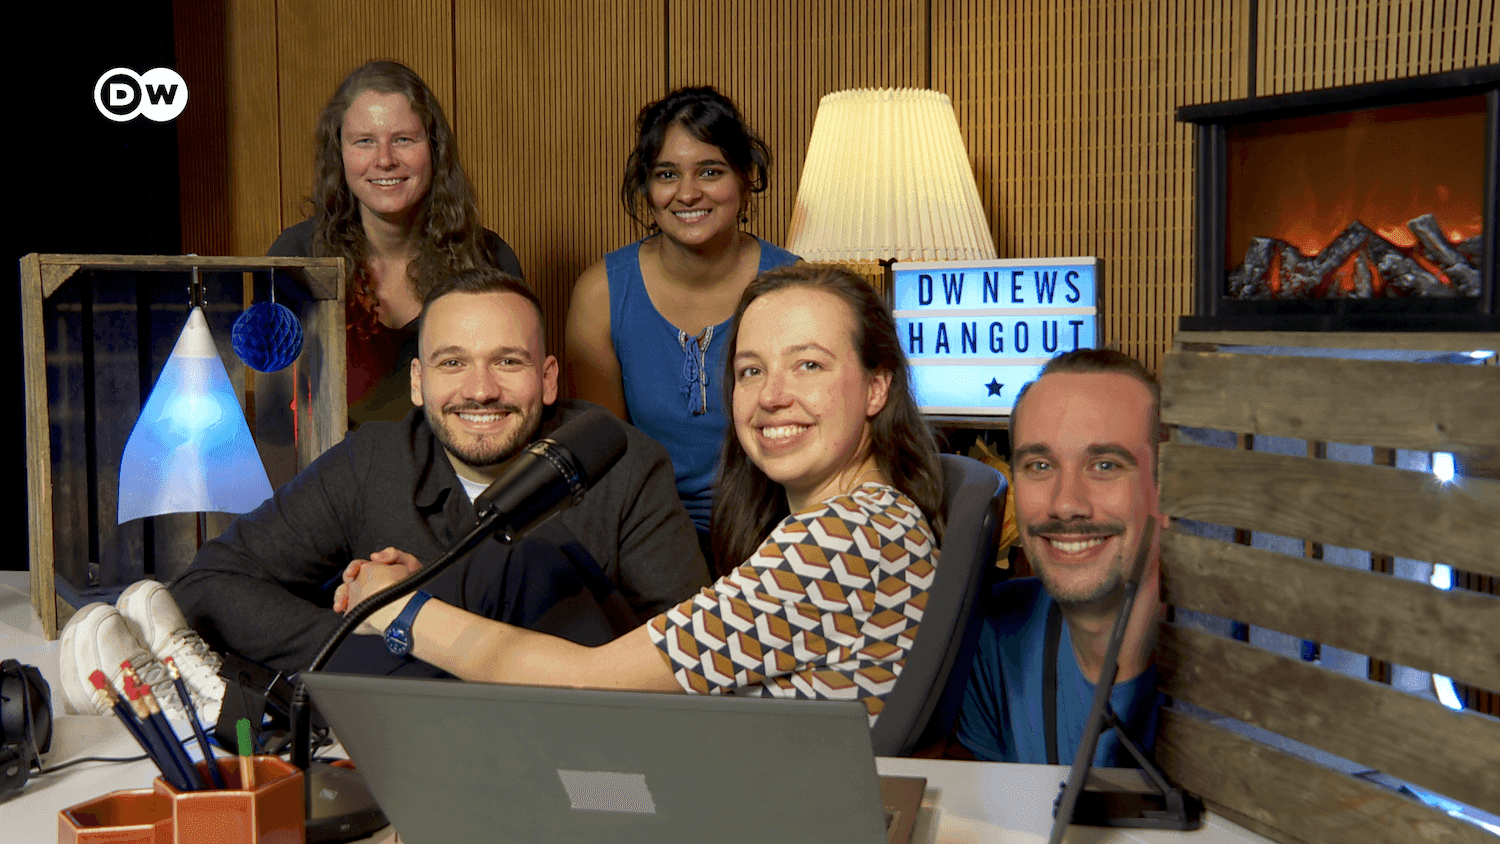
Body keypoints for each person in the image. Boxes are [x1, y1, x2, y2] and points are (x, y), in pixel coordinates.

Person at [340, 265, 944, 721]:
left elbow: (588, 680)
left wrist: (396, 608)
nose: (772, 395)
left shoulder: (843, 538)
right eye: (751, 370)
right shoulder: (869, 521)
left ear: (876, 387)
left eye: (809, 365)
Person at [169, 269, 709, 676]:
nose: (480, 389)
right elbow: (209, 585)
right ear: (418, 382)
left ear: (548, 380)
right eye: (453, 363)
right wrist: (382, 659)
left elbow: (690, 658)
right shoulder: (372, 460)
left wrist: (416, 619)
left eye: (508, 361)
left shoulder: (626, 464)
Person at [566, 86, 800, 558]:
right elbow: (607, 459)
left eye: (710, 172)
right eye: (667, 174)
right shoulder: (600, 293)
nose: (688, 193)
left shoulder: (795, 287)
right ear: (646, 188)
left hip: (773, 523)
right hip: (646, 531)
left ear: (747, 176)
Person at [269, 60, 524, 426]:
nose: (385, 160)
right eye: (364, 142)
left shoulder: (489, 258)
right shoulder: (295, 257)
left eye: (403, 139)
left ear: (434, 149)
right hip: (335, 475)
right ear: (339, 153)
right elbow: (277, 418)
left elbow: (510, 402)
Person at [954, 349, 1165, 766]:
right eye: (1040, 465)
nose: (1066, 504)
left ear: (1168, 488)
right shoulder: (992, 635)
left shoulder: (1244, 661)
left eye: (1104, 465)